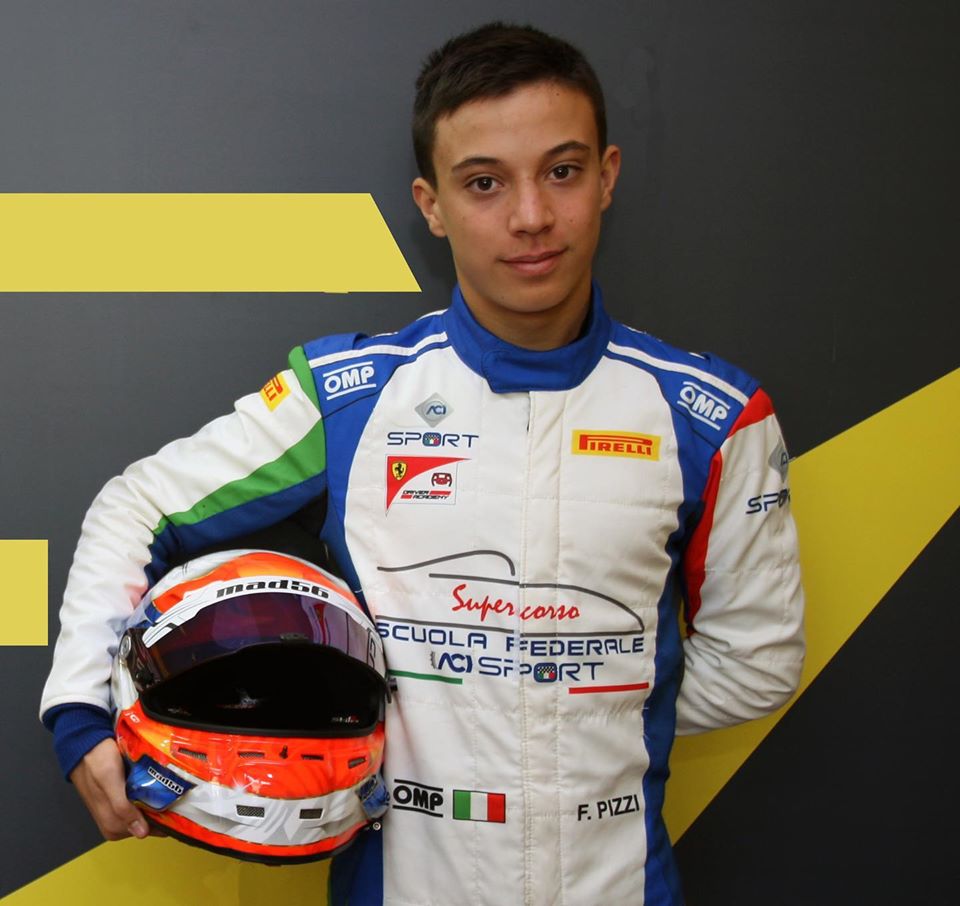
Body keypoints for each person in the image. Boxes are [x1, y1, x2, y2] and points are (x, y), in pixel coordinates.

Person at [41, 21, 804, 906]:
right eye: (484, 183)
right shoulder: (351, 397)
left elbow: (756, 662)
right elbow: (139, 504)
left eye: (561, 171)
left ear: (607, 177)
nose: (530, 216)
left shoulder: (712, 417)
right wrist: (79, 711)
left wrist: (579, 714)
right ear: (430, 204)